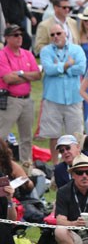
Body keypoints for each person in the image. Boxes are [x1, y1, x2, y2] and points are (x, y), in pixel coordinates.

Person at [40, 23, 87, 162]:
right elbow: (48, 69)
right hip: (53, 98)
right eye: (52, 34)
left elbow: (81, 69)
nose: (55, 37)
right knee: (53, 135)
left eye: (58, 33)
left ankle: (77, 164)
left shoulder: (77, 49)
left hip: (73, 98)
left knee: (76, 136)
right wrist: (67, 64)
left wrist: (59, 68)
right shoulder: (45, 51)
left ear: (65, 33)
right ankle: (55, 167)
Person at [0, 24, 41, 164]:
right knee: (2, 135)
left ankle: (26, 166)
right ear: (7, 38)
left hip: (26, 100)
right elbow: (7, 78)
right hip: (11, 100)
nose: (19, 38)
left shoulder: (27, 54)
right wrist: (26, 76)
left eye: (20, 35)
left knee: (27, 137)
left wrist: (20, 74)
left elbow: (37, 75)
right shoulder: (2, 55)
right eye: (15, 35)